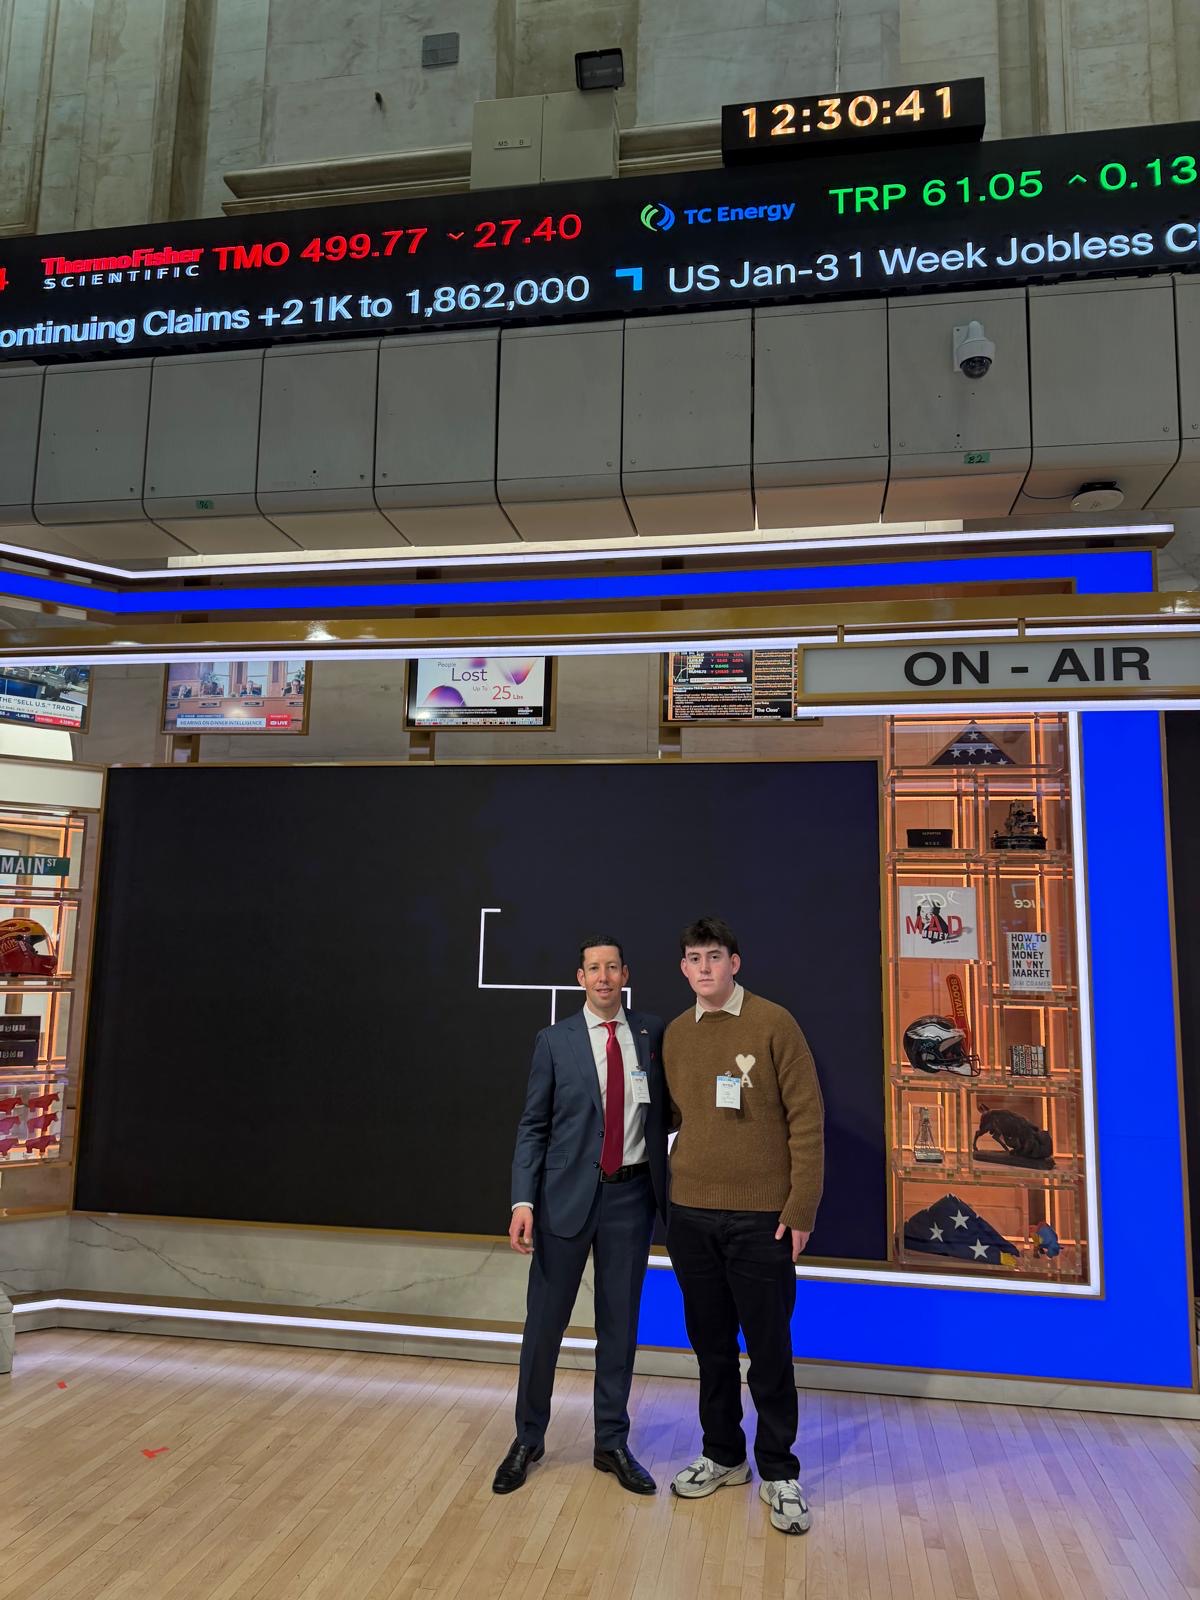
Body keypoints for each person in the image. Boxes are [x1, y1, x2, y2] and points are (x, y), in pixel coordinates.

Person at [663, 915, 825, 1536]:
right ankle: (724, 1455)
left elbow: (807, 1120)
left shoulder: (774, 1023)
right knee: (710, 1347)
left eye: (715, 956)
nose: (704, 967)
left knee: (769, 1350)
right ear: (683, 967)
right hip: (692, 1215)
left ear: (736, 962)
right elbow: (681, 1115)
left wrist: (800, 1207)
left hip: (764, 1220)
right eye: (694, 957)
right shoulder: (676, 1034)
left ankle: (780, 1470)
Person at [492, 936, 668, 1496]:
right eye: (594, 969)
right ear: (580, 977)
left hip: (630, 1199)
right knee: (544, 1325)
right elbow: (532, 1127)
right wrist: (523, 1200)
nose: (604, 977)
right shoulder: (553, 1041)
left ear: (625, 974)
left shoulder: (652, 1036)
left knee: (619, 1327)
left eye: (613, 967)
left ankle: (611, 1441)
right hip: (562, 1200)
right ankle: (528, 1437)